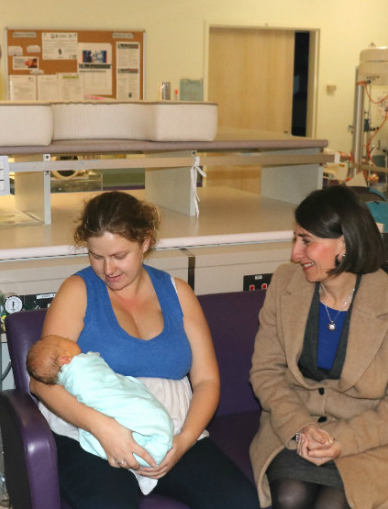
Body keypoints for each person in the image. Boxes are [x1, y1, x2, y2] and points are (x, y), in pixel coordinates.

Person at [29, 190, 259, 509]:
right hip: (91, 433)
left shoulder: (178, 294)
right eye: (96, 256)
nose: (108, 268)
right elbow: (42, 382)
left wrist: (182, 443)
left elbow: (207, 382)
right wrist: (102, 427)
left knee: (240, 502)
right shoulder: (77, 291)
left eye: (119, 255)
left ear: (145, 243)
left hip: (170, 426)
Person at [249, 185, 388, 509]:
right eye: (295, 239)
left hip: (365, 438)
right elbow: (265, 371)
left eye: (306, 241)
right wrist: (300, 426)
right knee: (290, 497)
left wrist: (343, 440)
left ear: (344, 243)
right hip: (291, 428)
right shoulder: (284, 283)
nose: (294, 254)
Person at [27, 334, 173, 494]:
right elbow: (38, 384)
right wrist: (101, 426)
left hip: (178, 425)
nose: (72, 340)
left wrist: (186, 438)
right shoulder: (80, 370)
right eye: (67, 342)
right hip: (97, 424)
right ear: (65, 359)